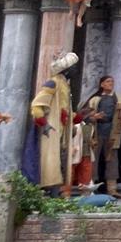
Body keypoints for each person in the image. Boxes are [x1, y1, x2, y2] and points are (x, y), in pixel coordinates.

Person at [29, 52, 81, 193]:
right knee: (50, 158)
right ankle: (47, 190)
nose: (77, 70)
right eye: (74, 67)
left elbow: (63, 108)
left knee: (58, 159)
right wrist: (43, 123)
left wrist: (77, 117)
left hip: (60, 128)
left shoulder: (64, 84)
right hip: (50, 127)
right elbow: (37, 105)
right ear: (67, 69)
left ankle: (56, 191)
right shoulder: (53, 83)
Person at [80, 76, 121, 197]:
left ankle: (112, 189)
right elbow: (83, 114)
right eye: (108, 82)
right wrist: (94, 117)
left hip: (112, 133)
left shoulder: (119, 99)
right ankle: (90, 187)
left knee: (112, 160)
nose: (111, 83)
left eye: (112, 81)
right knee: (93, 160)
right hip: (97, 132)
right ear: (102, 84)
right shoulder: (95, 99)